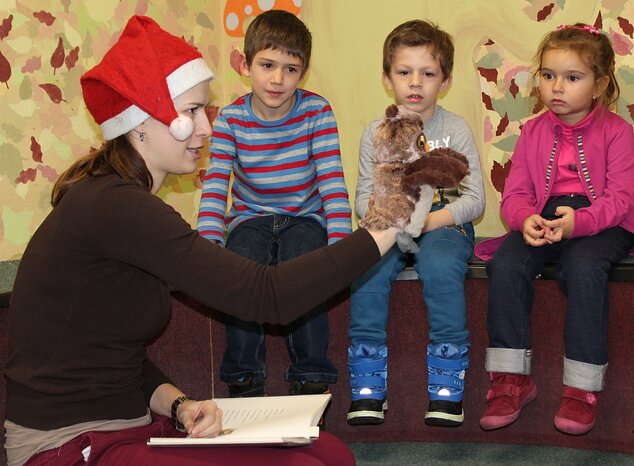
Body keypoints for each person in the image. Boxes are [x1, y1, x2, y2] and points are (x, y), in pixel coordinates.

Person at [3, 15, 399, 466]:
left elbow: (115, 353)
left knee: (330, 452)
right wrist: (389, 225)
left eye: (203, 111)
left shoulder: (123, 202)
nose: (207, 129)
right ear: (141, 124)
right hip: (65, 446)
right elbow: (266, 296)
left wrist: (179, 404)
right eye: (191, 112)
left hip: (128, 425)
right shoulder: (117, 207)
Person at [475, 23, 634, 436]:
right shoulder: (532, 131)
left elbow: (621, 201)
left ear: (599, 84)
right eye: (548, 75)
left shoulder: (619, 133)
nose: (556, 87)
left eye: (572, 77)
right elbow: (515, 195)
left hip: (604, 222)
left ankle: (582, 388)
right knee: (508, 262)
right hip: (545, 217)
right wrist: (523, 219)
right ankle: (511, 378)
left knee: (583, 267)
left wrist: (579, 222)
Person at [197, 10, 352, 398]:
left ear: (304, 73)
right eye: (267, 65)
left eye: (290, 68)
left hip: (305, 218)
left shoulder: (316, 112)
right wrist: (208, 245)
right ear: (246, 64)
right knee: (242, 269)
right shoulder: (231, 119)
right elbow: (216, 185)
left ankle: (311, 374)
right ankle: (244, 374)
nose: (278, 79)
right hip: (250, 218)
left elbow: (332, 181)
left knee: (304, 269)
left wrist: (340, 246)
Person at [346, 20, 485, 428]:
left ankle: (447, 385)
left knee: (441, 269)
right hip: (390, 228)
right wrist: (387, 217)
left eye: (428, 73)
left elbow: (474, 202)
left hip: (442, 228)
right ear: (387, 78)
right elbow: (361, 199)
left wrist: (424, 223)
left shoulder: (454, 128)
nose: (415, 83)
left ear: (445, 81)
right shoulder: (376, 132)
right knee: (366, 271)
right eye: (404, 72)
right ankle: (368, 381)